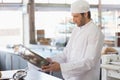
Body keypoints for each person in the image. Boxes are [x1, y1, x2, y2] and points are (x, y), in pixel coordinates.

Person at [42, 0, 104, 80]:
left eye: (76, 16)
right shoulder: (76, 30)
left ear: (85, 14)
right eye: (73, 16)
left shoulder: (95, 32)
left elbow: (89, 62)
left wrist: (61, 67)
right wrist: (51, 60)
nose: (73, 20)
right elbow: (66, 53)